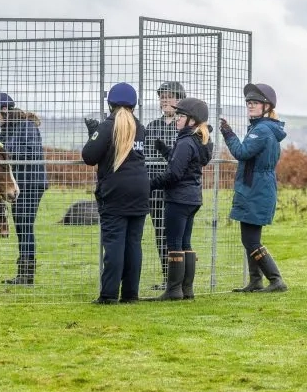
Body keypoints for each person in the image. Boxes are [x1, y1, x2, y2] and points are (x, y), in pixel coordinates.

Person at [82, 83, 150, 305]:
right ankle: (131, 294)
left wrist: (93, 134)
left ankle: (109, 294)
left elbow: (89, 156)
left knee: (114, 244)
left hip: (115, 192)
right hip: (140, 190)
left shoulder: (107, 126)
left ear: (110, 104)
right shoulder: (140, 127)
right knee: (133, 244)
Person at [220, 83, 288, 293]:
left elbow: (241, 152)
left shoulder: (262, 130)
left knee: (250, 239)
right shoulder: (262, 128)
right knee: (249, 238)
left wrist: (228, 133)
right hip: (256, 187)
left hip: (256, 189)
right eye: (249, 103)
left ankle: (276, 280)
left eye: (255, 103)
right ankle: (255, 280)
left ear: (267, 106)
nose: (250, 106)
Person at [146, 97, 213, 301]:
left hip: (179, 199)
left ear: (192, 120)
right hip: (192, 198)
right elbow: (186, 165)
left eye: (181, 116)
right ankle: (187, 290)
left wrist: (148, 185)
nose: (177, 119)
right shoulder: (200, 140)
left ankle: (174, 290)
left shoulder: (185, 142)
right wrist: (167, 151)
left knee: (173, 242)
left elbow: (174, 174)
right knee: (185, 242)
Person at [0, 92, 49, 286]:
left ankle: (26, 275)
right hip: (18, 185)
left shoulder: (26, 126)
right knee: (21, 227)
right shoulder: (6, 130)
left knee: (24, 226)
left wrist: (5, 152)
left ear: (3, 110)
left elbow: (31, 153)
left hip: (30, 184)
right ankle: (24, 273)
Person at [143, 81, 186, 289]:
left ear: (180, 99)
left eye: (169, 96)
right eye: (162, 96)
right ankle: (168, 279)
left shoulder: (185, 128)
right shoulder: (152, 127)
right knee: (160, 235)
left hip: (176, 190)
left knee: (178, 237)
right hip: (155, 191)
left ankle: (181, 280)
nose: (165, 100)